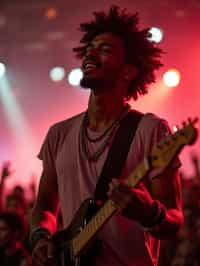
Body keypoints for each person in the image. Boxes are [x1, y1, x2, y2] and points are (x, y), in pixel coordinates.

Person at [30, 5, 184, 266]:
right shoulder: (59, 133)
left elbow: (174, 220)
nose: (90, 52)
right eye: (90, 47)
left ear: (128, 71)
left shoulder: (151, 130)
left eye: (105, 49)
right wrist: (41, 237)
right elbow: (44, 204)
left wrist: (150, 214)